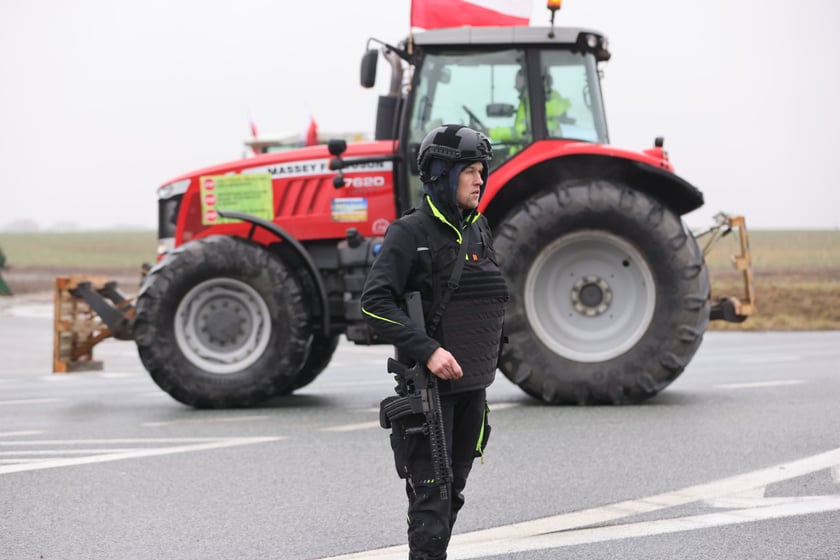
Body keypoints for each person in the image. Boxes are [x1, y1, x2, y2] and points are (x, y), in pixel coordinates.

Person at [360, 124, 509, 559]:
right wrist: (428, 349)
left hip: (472, 389)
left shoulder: (480, 229)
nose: (480, 179)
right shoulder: (410, 233)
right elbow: (373, 304)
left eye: (483, 170)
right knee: (430, 506)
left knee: (452, 496)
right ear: (442, 174)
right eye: (470, 171)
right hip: (429, 394)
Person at [490, 69, 572, 142]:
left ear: (527, 80)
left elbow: (522, 131)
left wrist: (491, 132)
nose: (514, 86)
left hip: (531, 150)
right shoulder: (549, 97)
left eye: (517, 82)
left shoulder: (534, 100)